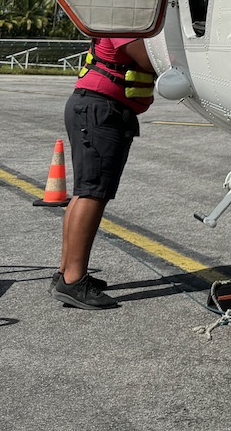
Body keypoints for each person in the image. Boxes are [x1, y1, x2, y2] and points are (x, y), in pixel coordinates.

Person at [51, 35, 155, 309]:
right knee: (93, 192)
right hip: (100, 110)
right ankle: (74, 281)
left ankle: (66, 273)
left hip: (95, 108)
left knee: (85, 192)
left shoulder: (118, 19)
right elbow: (151, 59)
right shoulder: (124, 23)